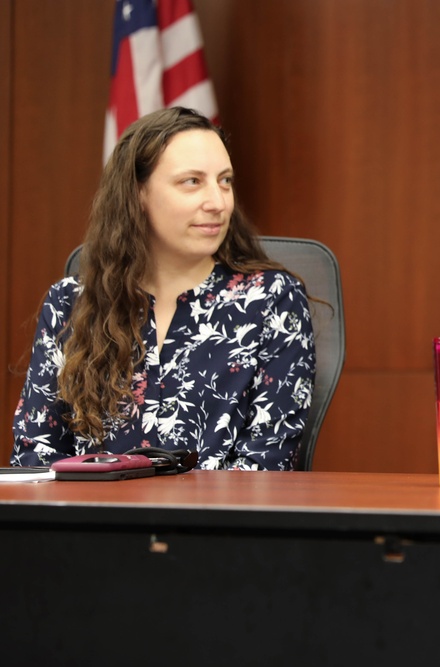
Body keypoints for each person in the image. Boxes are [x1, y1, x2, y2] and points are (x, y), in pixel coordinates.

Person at [11, 107, 316, 470]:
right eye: (192, 181)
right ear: (138, 193)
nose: (218, 202)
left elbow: (269, 462)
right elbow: (35, 457)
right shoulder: (70, 302)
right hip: (92, 520)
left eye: (225, 181)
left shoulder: (271, 300)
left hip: (221, 523)